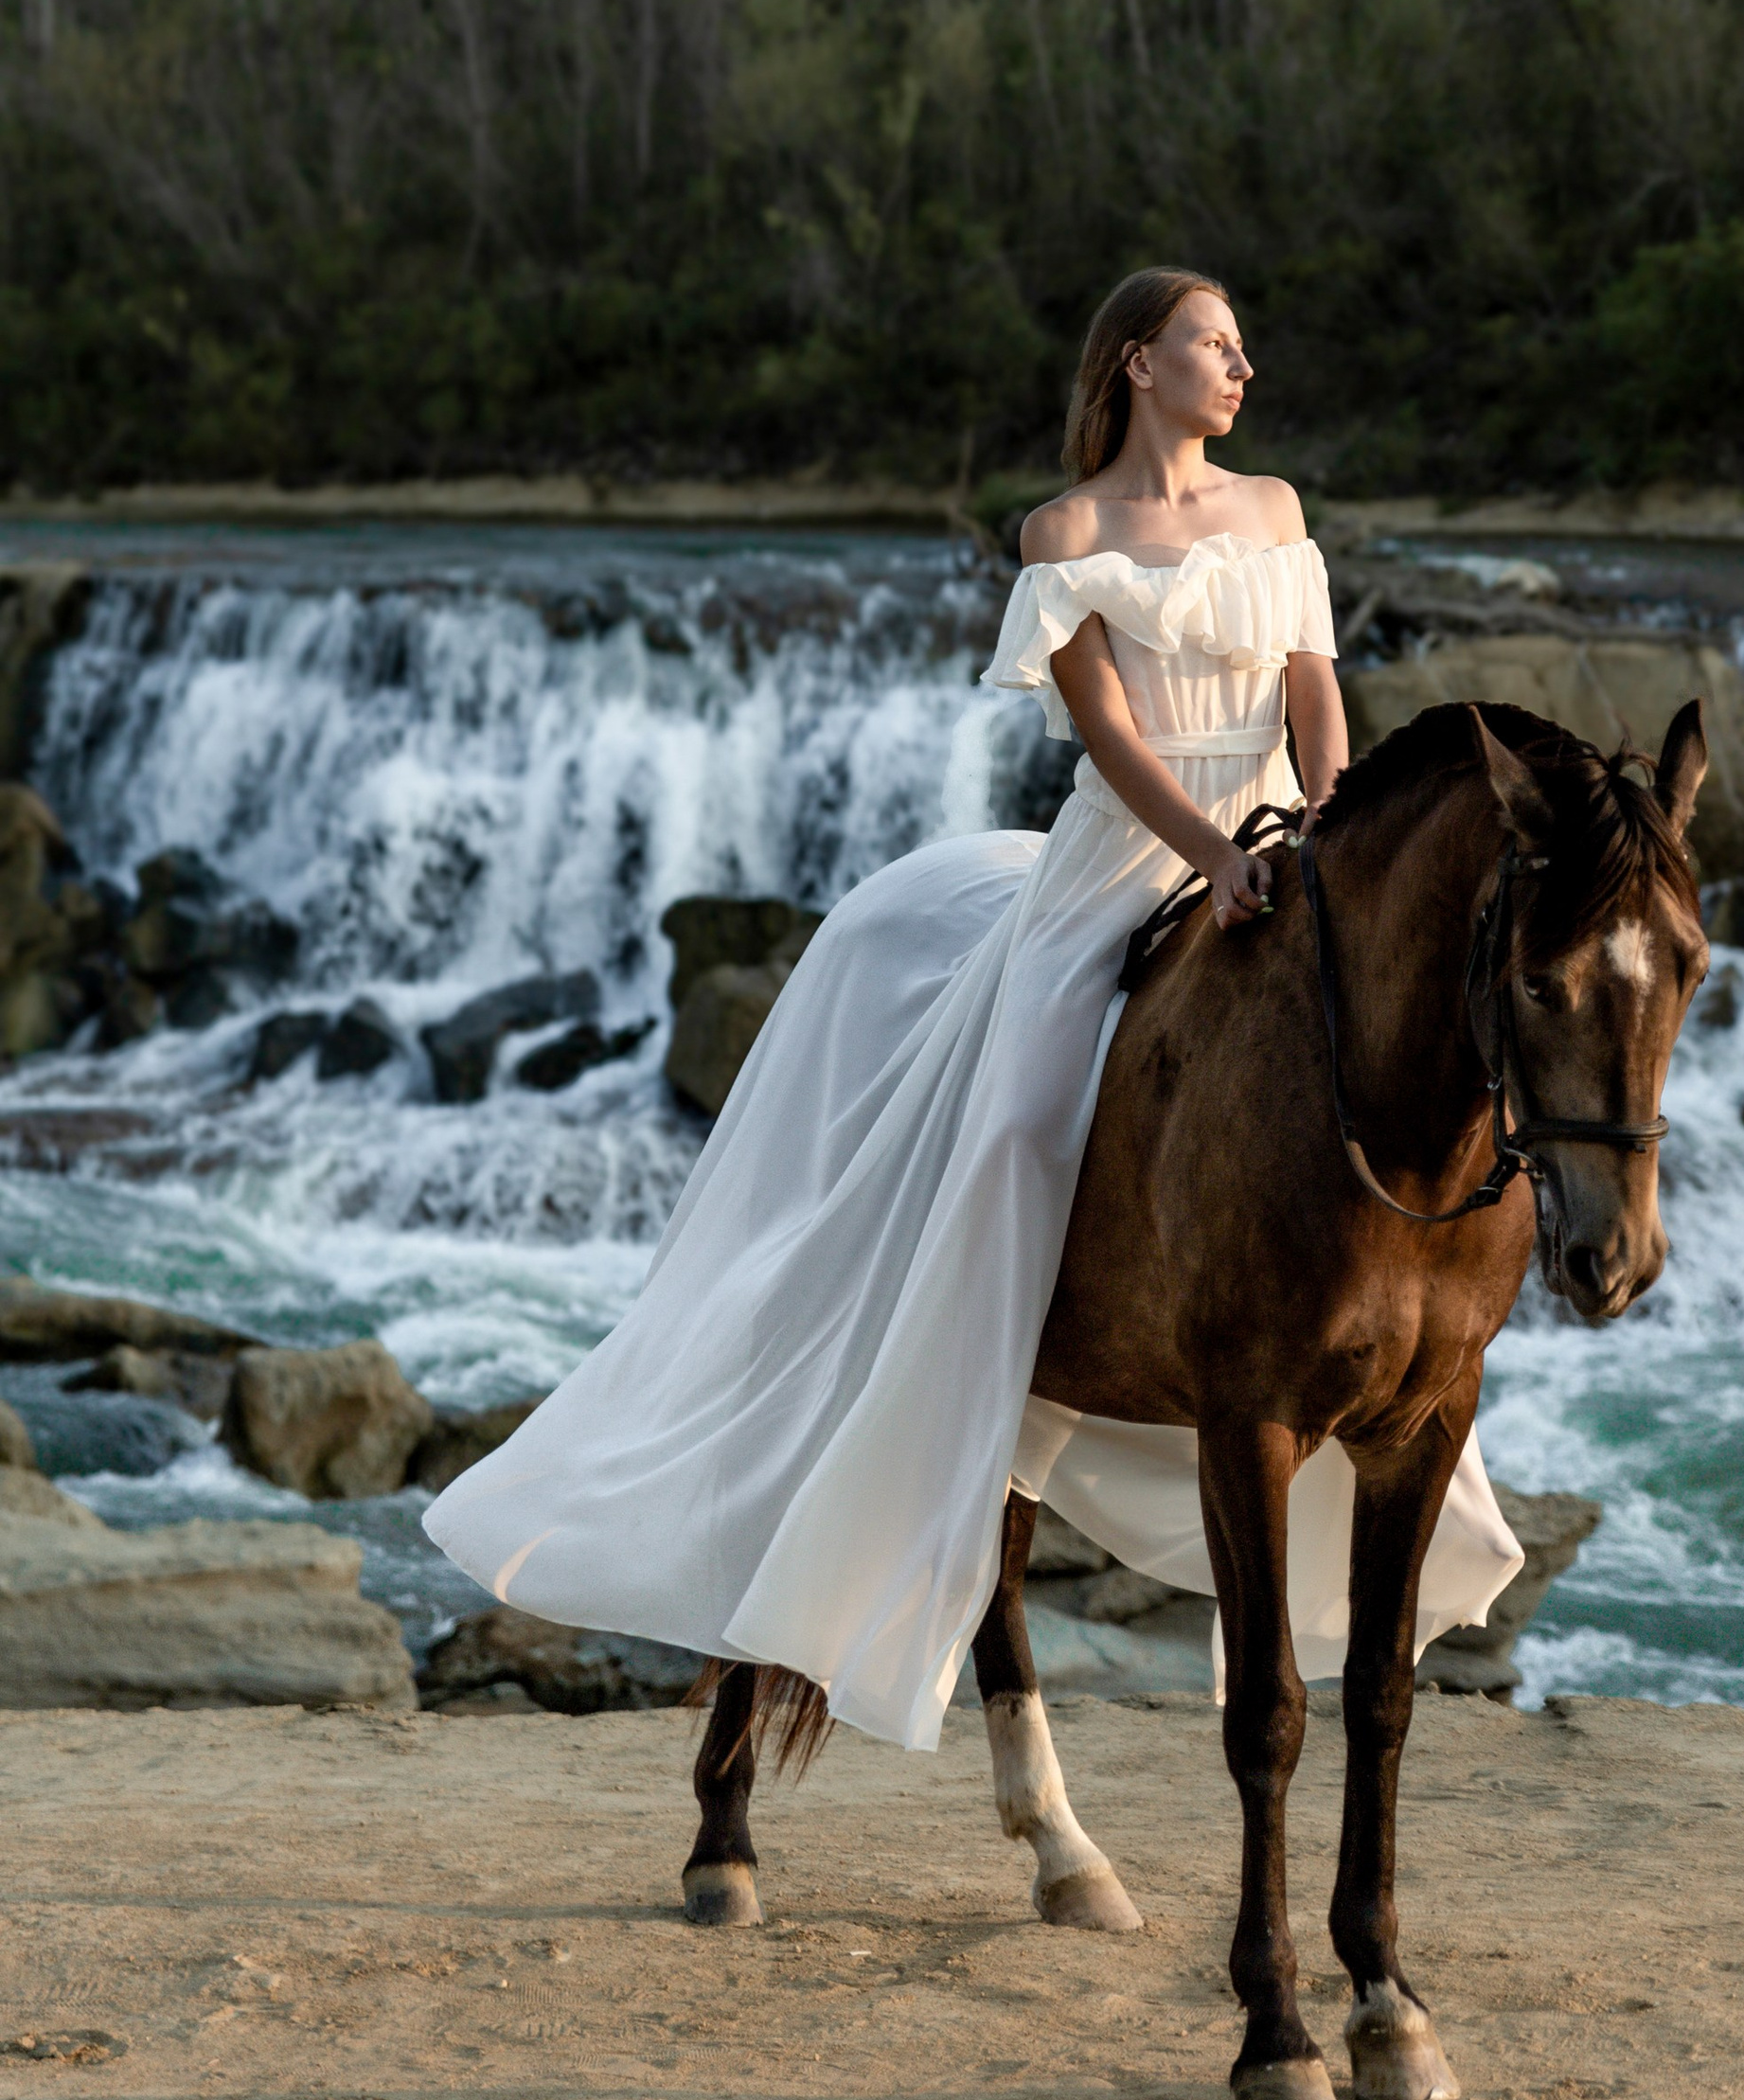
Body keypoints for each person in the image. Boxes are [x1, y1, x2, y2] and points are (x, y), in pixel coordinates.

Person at [424, 269, 1515, 1748]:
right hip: (1131, 857)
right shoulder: (1063, 539)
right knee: (1013, 1118)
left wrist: (1320, 825)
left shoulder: (1273, 510)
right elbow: (1111, 736)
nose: (1242, 365)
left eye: (1245, 346)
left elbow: (1315, 688)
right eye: (1214, 343)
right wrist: (1209, 862)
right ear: (1139, 364)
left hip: (1282, 832)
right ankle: (977, 1352)